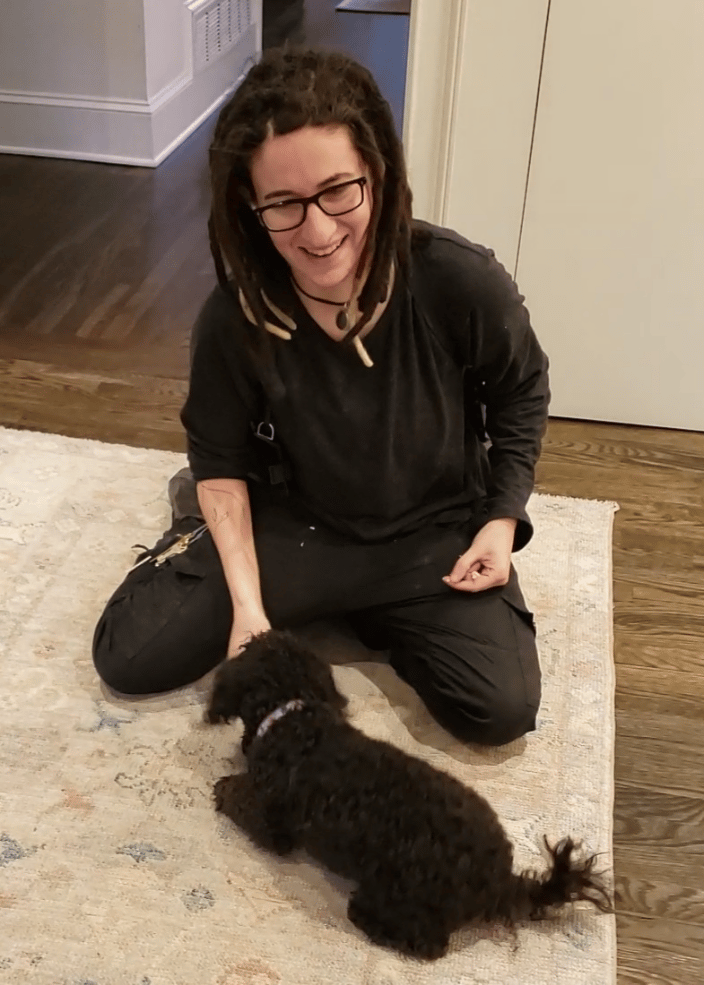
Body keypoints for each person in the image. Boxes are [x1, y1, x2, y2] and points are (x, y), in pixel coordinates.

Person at [92, 47, 550, 747]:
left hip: (430, 530)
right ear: (251, 207)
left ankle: (363, 604)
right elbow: (221, 454)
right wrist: (248, 607)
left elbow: (522, 392)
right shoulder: (233, 318)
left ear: (378, 174)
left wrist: (501, 519)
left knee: (501, 708)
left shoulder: (461, 280)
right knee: (128, 656)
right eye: (284, 203)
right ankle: (199, 519)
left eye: (339, 190)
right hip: (297, 525)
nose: (319, 230)